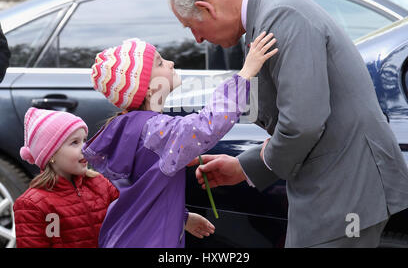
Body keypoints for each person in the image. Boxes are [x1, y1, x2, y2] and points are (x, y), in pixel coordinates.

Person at [168, 0, 408, 248]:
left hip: (344, 193)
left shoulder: (280, 15)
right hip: (337, 189)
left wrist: (255, 165)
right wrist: (245, 167)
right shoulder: (270, 12)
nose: (197, 38)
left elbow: (302, 124)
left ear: (207, 8)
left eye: (192, 26)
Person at [82, 35, 277, 248]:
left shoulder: (129, 127)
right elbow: (208, 125)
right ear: (148, 88)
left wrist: (181, 217)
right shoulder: (156, 130)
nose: (170, 63)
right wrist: (246, 74)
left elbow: (139, 192)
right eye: (159, 62)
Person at [13, 107, 120, 248]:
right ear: (50, 154)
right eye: (75, 142)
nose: (86, 148)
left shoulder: (101, 184)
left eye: (85, 140)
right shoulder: (32, 205)